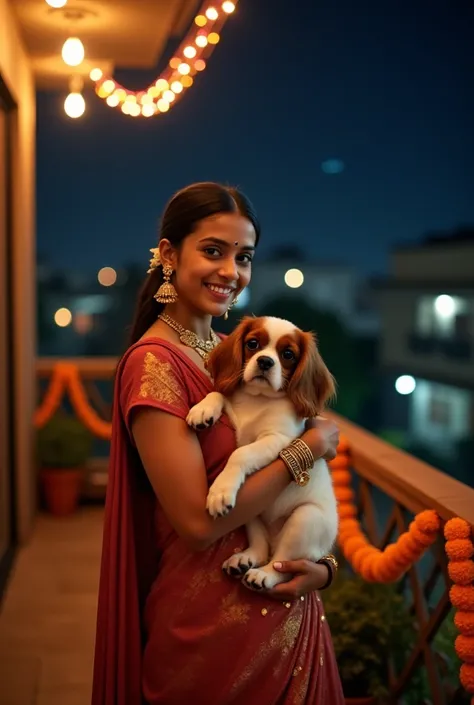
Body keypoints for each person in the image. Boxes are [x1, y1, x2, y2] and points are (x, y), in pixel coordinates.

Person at [92, 182, 345, 705]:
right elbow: (197, 524)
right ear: (168, 255)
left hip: (282, 603)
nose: (231, 271)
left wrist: (320, 569)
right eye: (213, 251)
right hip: (211, 628)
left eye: (244, 256)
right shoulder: (155, 363)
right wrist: (308, 449)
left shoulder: (221, 354)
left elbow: (284, 494)